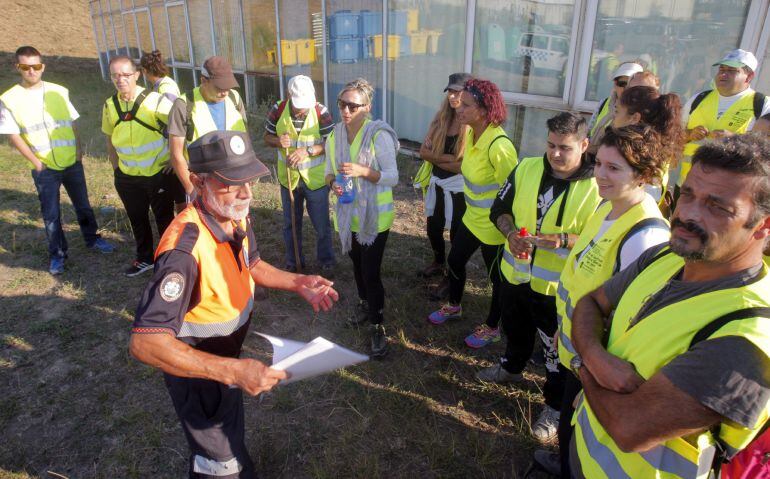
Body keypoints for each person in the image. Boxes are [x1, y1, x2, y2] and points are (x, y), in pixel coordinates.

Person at [130, 130, 338, 479]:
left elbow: (252, 263)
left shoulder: (233, 212)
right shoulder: (183, 250)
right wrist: (232, 372)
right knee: (218, 464)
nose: (246, 193)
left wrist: (297, 282)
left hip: (225, 362)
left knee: (230, 444)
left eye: (250, 180)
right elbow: (145, 342)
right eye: (231, 183)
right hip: (198, 374)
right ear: (198, 181)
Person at [569, 134, 770, 478]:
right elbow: (590, 303)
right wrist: (597, 357)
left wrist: (582, 365)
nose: (687, 214)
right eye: (687, 193)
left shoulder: (747, 336)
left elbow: (629, 428)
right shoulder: (665, 255)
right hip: (583, 451)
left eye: (717, 207)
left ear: (763, 226)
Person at [530, 125, 670, 476]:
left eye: (614, 168)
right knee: (569, 424)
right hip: (577, 350)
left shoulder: (645, 234)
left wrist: (593, 373)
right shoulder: (607, 207)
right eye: (599, 164)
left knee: (581, 431)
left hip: (595, 361)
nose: (600, 175)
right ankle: (563, 461)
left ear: (643, 175)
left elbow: (633, 321)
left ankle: (567, 466)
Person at [478, 112, 601, 444]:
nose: (555, 154)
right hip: (515, 277)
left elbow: (601, 238)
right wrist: (509, 234)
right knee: (515, 329)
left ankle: (554, 406)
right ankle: (512, 366)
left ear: (584, 145)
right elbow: (498, 210)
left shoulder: (597, 185)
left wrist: (561, 241)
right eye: (550, 145)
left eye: (565, 147)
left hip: (555, 291)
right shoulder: (527, 167)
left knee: (555, 353)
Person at [0, 46, 114, 275]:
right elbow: (13, 135)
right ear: (18, 67)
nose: (32, 71)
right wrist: (37, 162)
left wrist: (79, 151)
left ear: (43, 66)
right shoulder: (9, 99)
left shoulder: (58, 91)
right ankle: (58, 256)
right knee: (51, 214)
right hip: (45, 167)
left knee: (83, 205)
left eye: (36, 66)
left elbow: (71, 122)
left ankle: (92, 239)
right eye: (26, 67)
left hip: (72, 161)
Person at [427, 79, 518, 351]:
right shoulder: (470, 133)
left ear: (484, 109)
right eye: (459, 102)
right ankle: (454, 306)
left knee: (497, 281)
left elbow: (513, 193)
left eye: (466, 104)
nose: (458, 107)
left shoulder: (499, 146)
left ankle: (492, 327)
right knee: (455, 260)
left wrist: (510, 230)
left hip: (493, 228)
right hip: (471, 218)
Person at [324, 78, 399, 357]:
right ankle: (364, 303)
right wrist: (334, 183)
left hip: (375, 219)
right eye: (342, 104)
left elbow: (393, 177)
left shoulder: (378, 135)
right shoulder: (334, 135)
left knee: (371, 272)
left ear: (367, 107)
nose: (346, 110)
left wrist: (363, 171)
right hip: (348, 217)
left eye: (353, 106)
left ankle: (378, 325)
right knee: (356, 267)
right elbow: (328, 172)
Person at [103, 55, 175, 277]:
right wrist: (117, 170)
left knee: (165, 220)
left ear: (136, 74)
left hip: (158, 173)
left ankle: (167, 261)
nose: (120, 79)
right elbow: (109, 138)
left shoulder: (156, 100)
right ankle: (144, 259)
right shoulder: (109, 105)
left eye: (125, 74)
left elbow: (181, 126)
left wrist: (175, 157)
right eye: (115, 75)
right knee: (137, 219)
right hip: (127, 176)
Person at [263, 75, 335, 273]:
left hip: (316, 181)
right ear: (289, 96)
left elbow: (332, 143)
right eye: (298, 105)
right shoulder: (278, 109)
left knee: (321, 225)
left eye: (305, 105)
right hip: (289, 180)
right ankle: (294, 261)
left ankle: (326, 260)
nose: (302, 109)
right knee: (291, 225)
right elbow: (266, 137)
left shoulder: (321, 112)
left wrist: (308, 151)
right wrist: (278, 141)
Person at [677, 49, 770, 190]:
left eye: (732, 70)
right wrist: (689, 134)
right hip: (687, 185)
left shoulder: (763, 104)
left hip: (729, 193)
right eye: (721, 69)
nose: (723, 74)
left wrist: (735, 139)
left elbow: (765, 150)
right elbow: (673, 133)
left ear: (749, 76)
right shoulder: (699, 98)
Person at [416, 72, 471, 298]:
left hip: (458, 189)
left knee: (457, 236)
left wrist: (436, 156)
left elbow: (464, 167)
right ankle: (439, 262)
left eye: (458, 91)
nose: (453, 96)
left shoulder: (471, 124)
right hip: (438, 183)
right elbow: (423, 152)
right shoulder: (441, 117)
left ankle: (451, 276)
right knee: (433, 228)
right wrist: (447, 159)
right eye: (450, 91)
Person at [168, 56, 248, 201]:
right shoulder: (184, 105)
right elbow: (176, 154)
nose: (225, 92)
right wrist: (192, 189)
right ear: (204, 80)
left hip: (234, 181)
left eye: (228, 87)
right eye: (219, 87)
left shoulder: (234, 98)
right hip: (202, 184)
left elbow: (243, 140)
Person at [613, 85, 684, 204]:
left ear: (635, 118)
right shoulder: (638, 149)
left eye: (617, 111)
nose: (613, 118)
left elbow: (649, 198)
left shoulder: (644, 155)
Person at [141, 50, 186, 213]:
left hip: (173, 153)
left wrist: (173, 157)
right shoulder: (162, 84)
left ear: (144, 71)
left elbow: (175, 124)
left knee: (180, 196)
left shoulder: (165, 89)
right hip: (170, 151)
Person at [587, 62, 643, 156]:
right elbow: (589, 130)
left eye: (631, 84)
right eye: (622, 83)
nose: (626, 88)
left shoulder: (643, 110)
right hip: (593, 160)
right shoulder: (604, 103)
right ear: (615, 84)